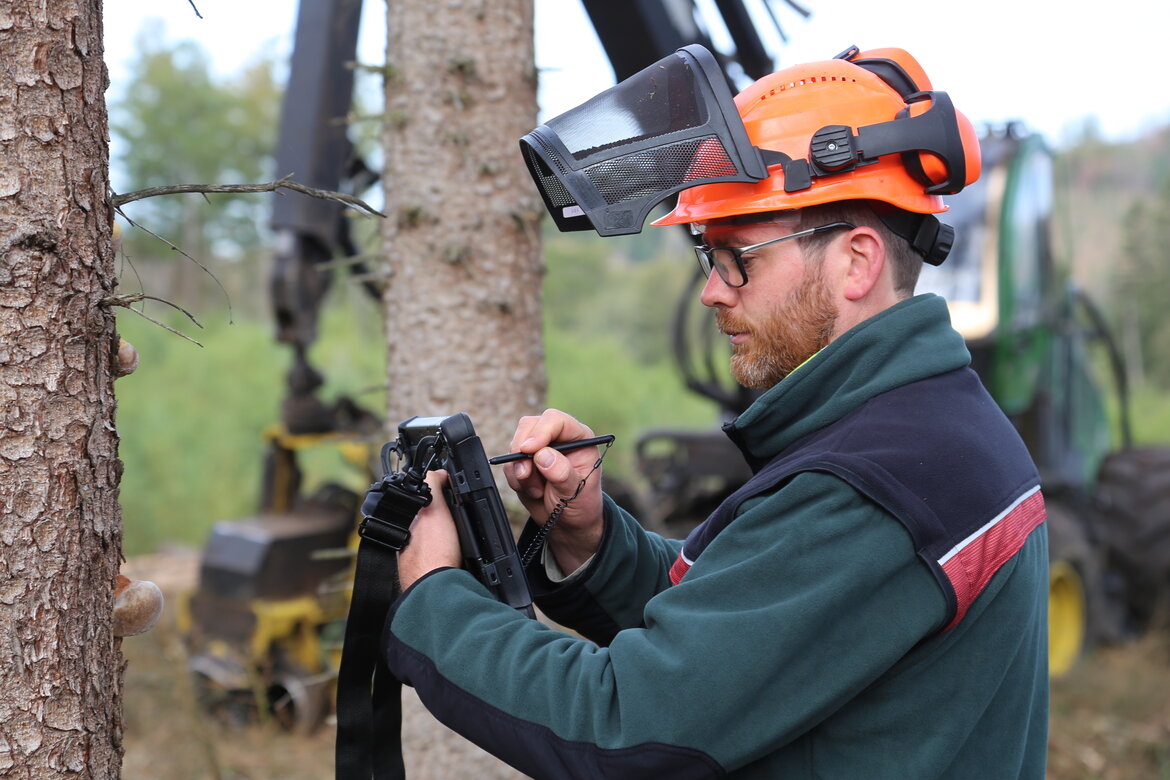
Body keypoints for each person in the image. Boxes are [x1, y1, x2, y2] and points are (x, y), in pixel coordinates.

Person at [384, 46, 1049, 778]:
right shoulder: (926, 429)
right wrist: (594, 542)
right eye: (710, 257)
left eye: (740, 257)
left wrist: (435, 596)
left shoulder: (872, 486)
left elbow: (626, 726)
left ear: (856, 262)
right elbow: (754, 630)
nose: (713, 291)